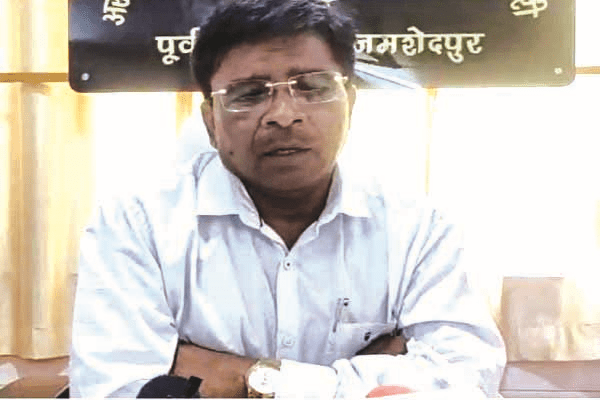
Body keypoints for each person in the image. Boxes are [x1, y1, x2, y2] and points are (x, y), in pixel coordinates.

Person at [69, 0, 506, 397]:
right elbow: (115, 389)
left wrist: (246, 377)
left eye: (312, 87)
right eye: (249, 94)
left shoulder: (418, 227)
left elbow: (464, 378)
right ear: (211, 122)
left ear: (350, 104)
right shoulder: (135, 224)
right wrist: (366, 373)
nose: (283, 115)